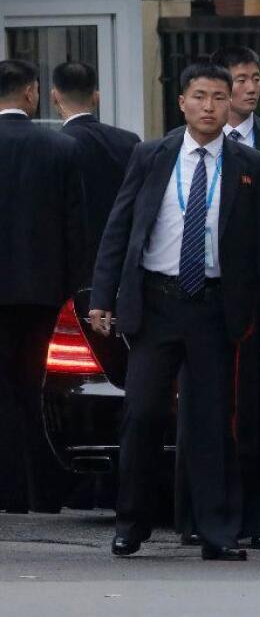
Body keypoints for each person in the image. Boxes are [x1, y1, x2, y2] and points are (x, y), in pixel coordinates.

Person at [89, 64, 260, 561]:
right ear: (182, 102)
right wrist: (102, 298)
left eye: (220, 97)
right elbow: (120, 228)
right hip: (156, 304)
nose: (209, 106)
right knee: (143, 414)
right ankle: (131, 523)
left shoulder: (252, 164)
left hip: (216, 307)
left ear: (232, 102)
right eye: (199, 96)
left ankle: (216, 530)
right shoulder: (151, 154)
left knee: (213, 421)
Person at [172, 46, 260, 551]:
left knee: (259, 405)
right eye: (238, 81)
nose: (249, 88)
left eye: (252, 79)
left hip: (251, 300)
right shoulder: (177, 148)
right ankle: (196, 514)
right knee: (201, 409)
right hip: (197, 296)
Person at [0, 59, 84, 514]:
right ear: (32, 92)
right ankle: (43, 491)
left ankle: (6, 491)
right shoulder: (60, 148)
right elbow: (76, 228)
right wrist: (77, 290)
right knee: (38, 389)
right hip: (44, 293)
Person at [53, 61, 141, 276]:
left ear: (54, 96)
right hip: (122, 258)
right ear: (96, 97)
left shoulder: (56, 144)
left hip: (72, 264)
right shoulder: (129, 141)